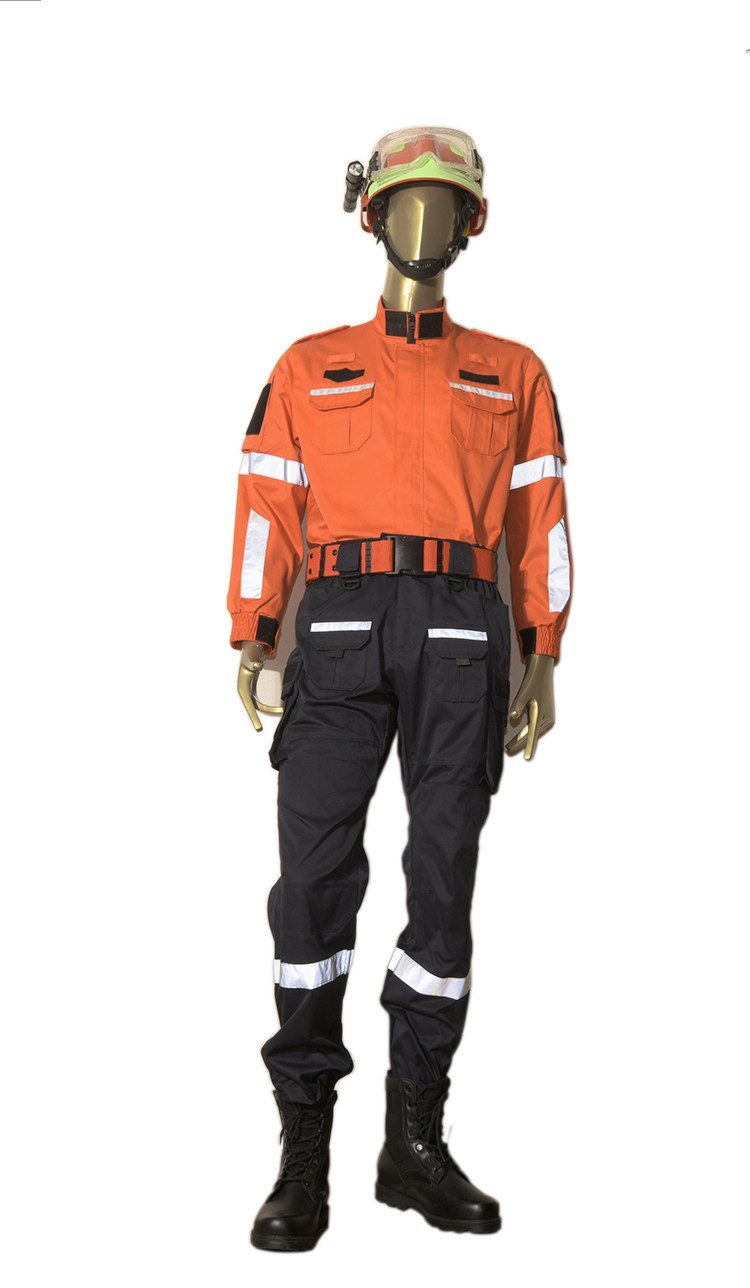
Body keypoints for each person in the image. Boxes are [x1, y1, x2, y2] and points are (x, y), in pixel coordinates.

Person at [227, 126, 572, 1251]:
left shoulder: (513, 372)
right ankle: (304, 1154)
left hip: (465, 638)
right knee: (310, 885)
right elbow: (266, 502)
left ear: (474, 223)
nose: (425, 220)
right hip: (333, 628)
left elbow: (540, 518)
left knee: (443, 881)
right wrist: (252, 630)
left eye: (447, 203)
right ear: (368, 214)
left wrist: (545, 648)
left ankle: (412, 1145)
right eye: (406, 200)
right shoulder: (308, 364)